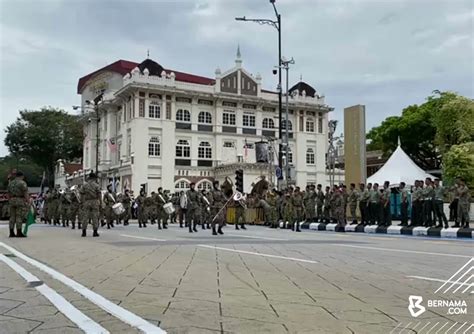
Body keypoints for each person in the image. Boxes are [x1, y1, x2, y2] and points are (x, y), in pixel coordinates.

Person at [7, 171, 29, 238]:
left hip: (12, 200)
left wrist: (10, 200)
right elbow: (25, 192)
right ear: (21, 176)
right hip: (19, 200)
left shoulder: (11, 183)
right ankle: (19, 232)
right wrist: (27, 200)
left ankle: (11, 232)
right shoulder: (22, 183)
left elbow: (8, 193)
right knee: (19, 216)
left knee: (12, 217)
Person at [79, 172, 101, 237]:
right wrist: (100, 202)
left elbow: (81, 194)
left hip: (86, 201)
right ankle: (95, 232)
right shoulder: (96, 185)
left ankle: (84, 232)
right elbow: (99, 194)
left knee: (85, 216)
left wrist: (81, 202)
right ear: (94, 178)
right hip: (94, 201)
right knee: (95, 216)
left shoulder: (84, 185)